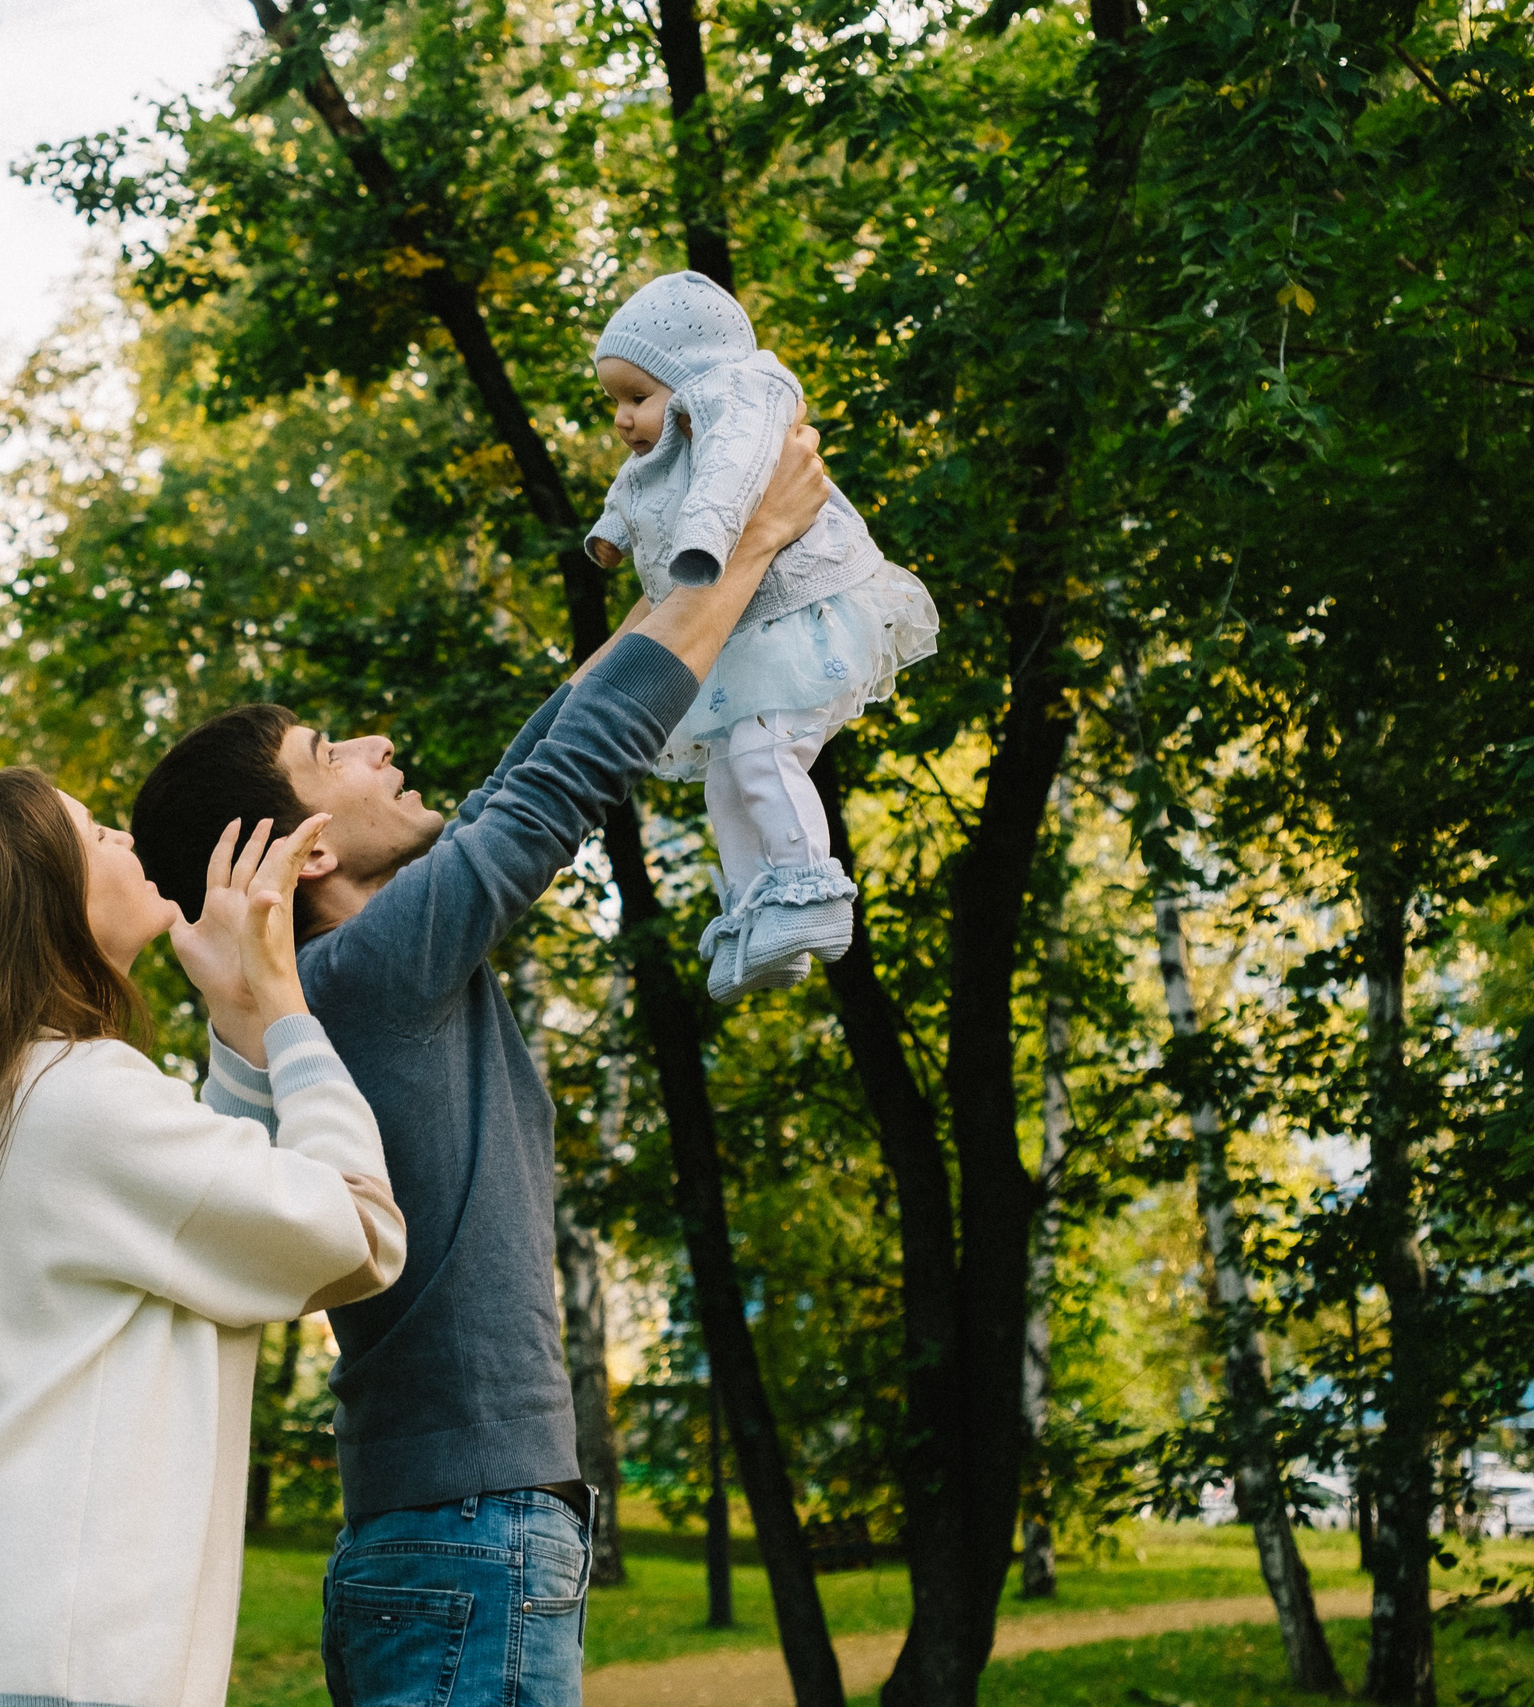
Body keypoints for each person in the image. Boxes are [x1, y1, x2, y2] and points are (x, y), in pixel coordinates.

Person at [127, 426, 833, 1707]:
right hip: (470, 1535)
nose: (376, 749)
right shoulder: (363, 974)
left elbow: (540, 746)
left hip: (448, 1534)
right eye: (328, 755)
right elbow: (563, 774)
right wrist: (755, 545)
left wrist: (691, 557)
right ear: (309, 858)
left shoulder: (357, 979)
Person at [0, 766, 405, 1707]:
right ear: (39, 908)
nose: (123, 837)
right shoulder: (80, 1096)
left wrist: (234, 1021)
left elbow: (195, 1229)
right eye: (93, 834)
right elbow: (355, 1230)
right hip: (57, 1674)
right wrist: (284, 1008)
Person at [588, 269, 940, 1001]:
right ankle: (756, 911)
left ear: (692, 383)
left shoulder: (739, 401)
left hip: (800, 613)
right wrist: (609, 538)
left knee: (763, 751)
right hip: (746, 638)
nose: (623, 419)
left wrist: (704, 538)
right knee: (726, 774)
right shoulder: (661, 450)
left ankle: (813, 894)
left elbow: (730, 475)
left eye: (638, 398)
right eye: (614, 401)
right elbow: (631, 495)